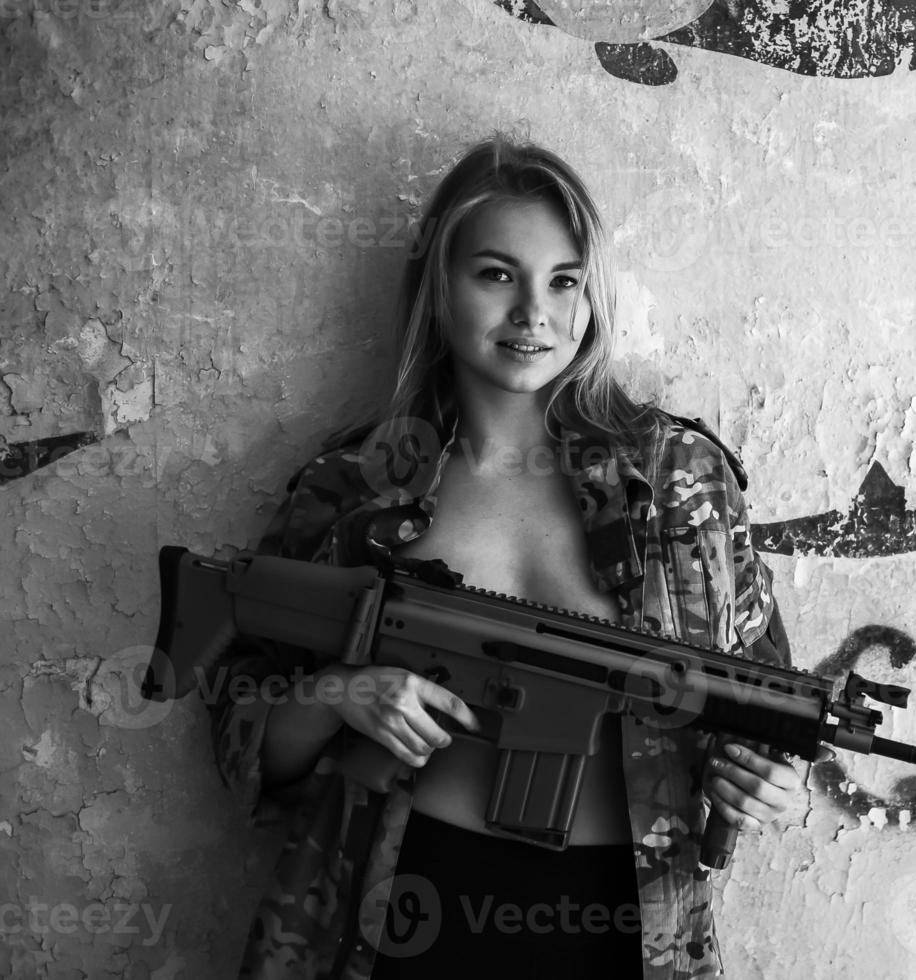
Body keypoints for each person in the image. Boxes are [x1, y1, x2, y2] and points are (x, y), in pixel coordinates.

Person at [205, 136, 802, 980]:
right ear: (437, 287)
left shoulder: (678, 481)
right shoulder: (356, 491)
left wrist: (767, 784)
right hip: (391, 915)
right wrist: (338, 693)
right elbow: (243, 737)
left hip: (628, 926)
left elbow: (761, 697)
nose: (535, 314)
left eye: (564, 280)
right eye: (496, 274)